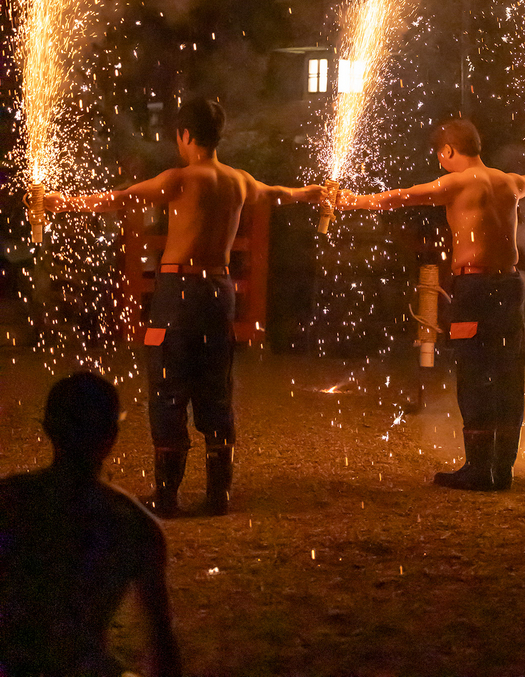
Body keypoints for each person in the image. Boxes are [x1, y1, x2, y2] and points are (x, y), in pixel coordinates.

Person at [44, 97, 322, 517]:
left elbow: (119, 199)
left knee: (168, 385)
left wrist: (59, 203)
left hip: (179, 290)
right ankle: (218, 495)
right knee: (215, 385)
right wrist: (311, 193)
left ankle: (168, 496)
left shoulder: (179, 179)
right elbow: (279, 194)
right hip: (219, 290)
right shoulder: (239, 181)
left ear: (185, 135)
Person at [328, 118, 525, 491]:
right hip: (509, 284)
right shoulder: (509, 181)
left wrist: (352, 202)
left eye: (440, 154)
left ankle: (478, 468)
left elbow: (401, 196)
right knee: (507, 371)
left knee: (475, 371)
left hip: (474, 287)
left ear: (448, 152)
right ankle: (501, 468)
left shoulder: (455, 182)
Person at [0, 371, 182, 677]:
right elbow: (162, 645)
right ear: (110, 437)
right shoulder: (132, 524)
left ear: (48, 430)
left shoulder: (8, 501)